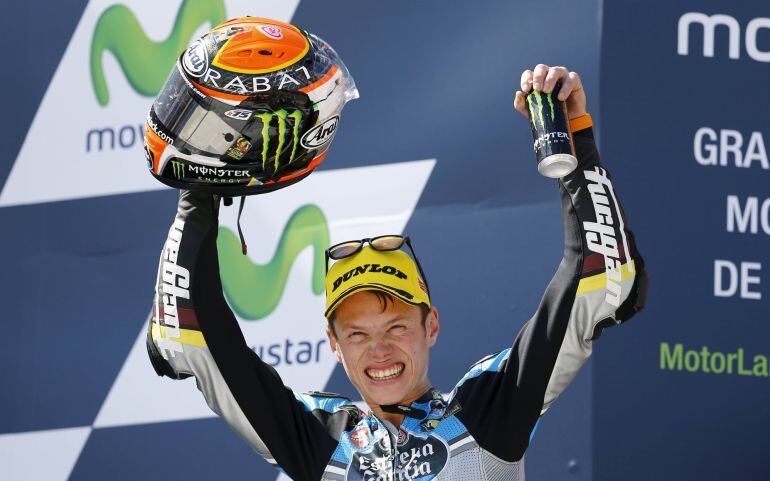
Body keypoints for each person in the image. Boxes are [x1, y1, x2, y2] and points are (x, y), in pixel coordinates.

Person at [146, 18, 647, 481]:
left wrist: (575, 143)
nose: (379, 350)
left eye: (397, 327)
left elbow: (605, 280)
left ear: (432, 326)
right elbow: (187, 334)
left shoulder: (488, 411)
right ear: (333, 345)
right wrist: (206, 180)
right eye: (358, 333)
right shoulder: (321, 440)